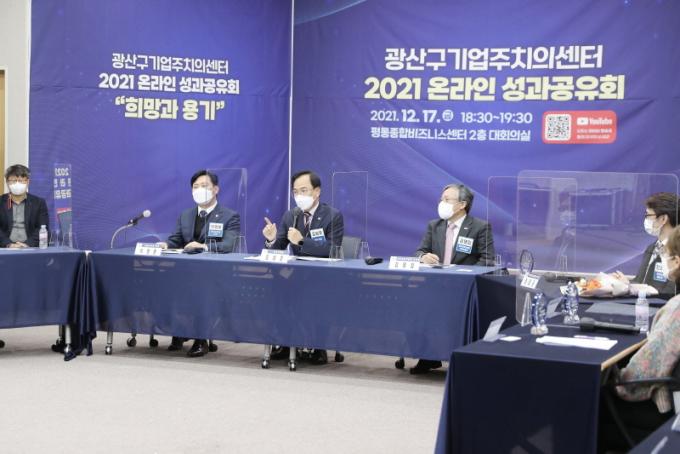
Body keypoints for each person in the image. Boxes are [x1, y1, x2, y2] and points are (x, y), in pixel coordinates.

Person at [599, 226, 680, 450]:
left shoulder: (676, 310)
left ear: (677, 262)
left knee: (586, 400)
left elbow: (640, 375)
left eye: (667, 255)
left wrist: (611, 376)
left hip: (661, 412)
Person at [410, 183, 495, 374]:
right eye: (441, 199)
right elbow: (419, 251)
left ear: (462, 204)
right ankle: (427, 356)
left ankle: (463, 359)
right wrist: (423, 257)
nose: (442, 203)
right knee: (414, 305)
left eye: (447, 199)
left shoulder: (480, 227)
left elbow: (487, 260)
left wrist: (463, 276)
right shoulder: (435, 226)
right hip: (435, 285)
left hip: (465, 287)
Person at [262, 170, 344, 365]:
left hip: (322, 276)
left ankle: (318, 346)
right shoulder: (291, 215)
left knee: (316, 293)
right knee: (275, 287)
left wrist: (301, 241)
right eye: (295, 191)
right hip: (295, 274)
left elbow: (332, 249)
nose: (299, 195)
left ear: (317, 191)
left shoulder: (332, 216)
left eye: (304, 190)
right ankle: (285, 342)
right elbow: (279, 246)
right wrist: (271, 239)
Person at [159, 169, 240, 357]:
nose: (199, 190)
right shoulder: (186, 215)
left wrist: (203, 246)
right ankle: (179, 331)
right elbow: (176, 239)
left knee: (200, 288)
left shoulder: (229, 216)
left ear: (216, 189)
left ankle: (200, 339)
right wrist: (166, 244)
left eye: (204, 186)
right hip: (185, 270)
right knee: (165, 283)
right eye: (195, 187)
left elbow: (228, 245)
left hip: (213, 273)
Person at [612, 192, 680, 299]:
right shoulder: (652, 248)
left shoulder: (676, 251)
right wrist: (626, 284)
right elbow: (641, 282)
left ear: (663, 219)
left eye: (648, 215)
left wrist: (631, 288)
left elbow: (671, 293)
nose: (646, 220)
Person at [0, 164, 49, 248]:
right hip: (5, 248)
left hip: (30, 248)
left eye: (20, 180)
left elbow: (42, 228)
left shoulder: (39, 203)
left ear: (27, 182)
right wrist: (9, 244)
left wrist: (27, 244)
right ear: (7, 182)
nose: (17, 184)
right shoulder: (1, 202)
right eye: (13, 180)